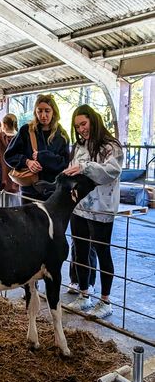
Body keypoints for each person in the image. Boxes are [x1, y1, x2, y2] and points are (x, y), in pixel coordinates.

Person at [64, 104, 123, 318]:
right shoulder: (79, 146)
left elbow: (111, 171)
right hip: (79, 207)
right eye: (77, 126)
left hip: (101, 208)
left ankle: (105, 301)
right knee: (80, 251)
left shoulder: (110, 146)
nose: (81, 129)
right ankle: (84, 294)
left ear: (93, 120)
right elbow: (74, 169)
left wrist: (85, 167)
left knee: (102, 251)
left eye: (84, 124)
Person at [4, 94, 70, 204]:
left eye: (47, 111)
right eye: (40, 111)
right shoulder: (26, 130)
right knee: (27, 221)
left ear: (54, 112)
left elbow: (65, 163)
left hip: (53, 192)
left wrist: (42, 156)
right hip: (30, 191)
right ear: (35, 112)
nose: (43, 115)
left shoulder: (62, 135)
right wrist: (27, 161)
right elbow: (9, 156)